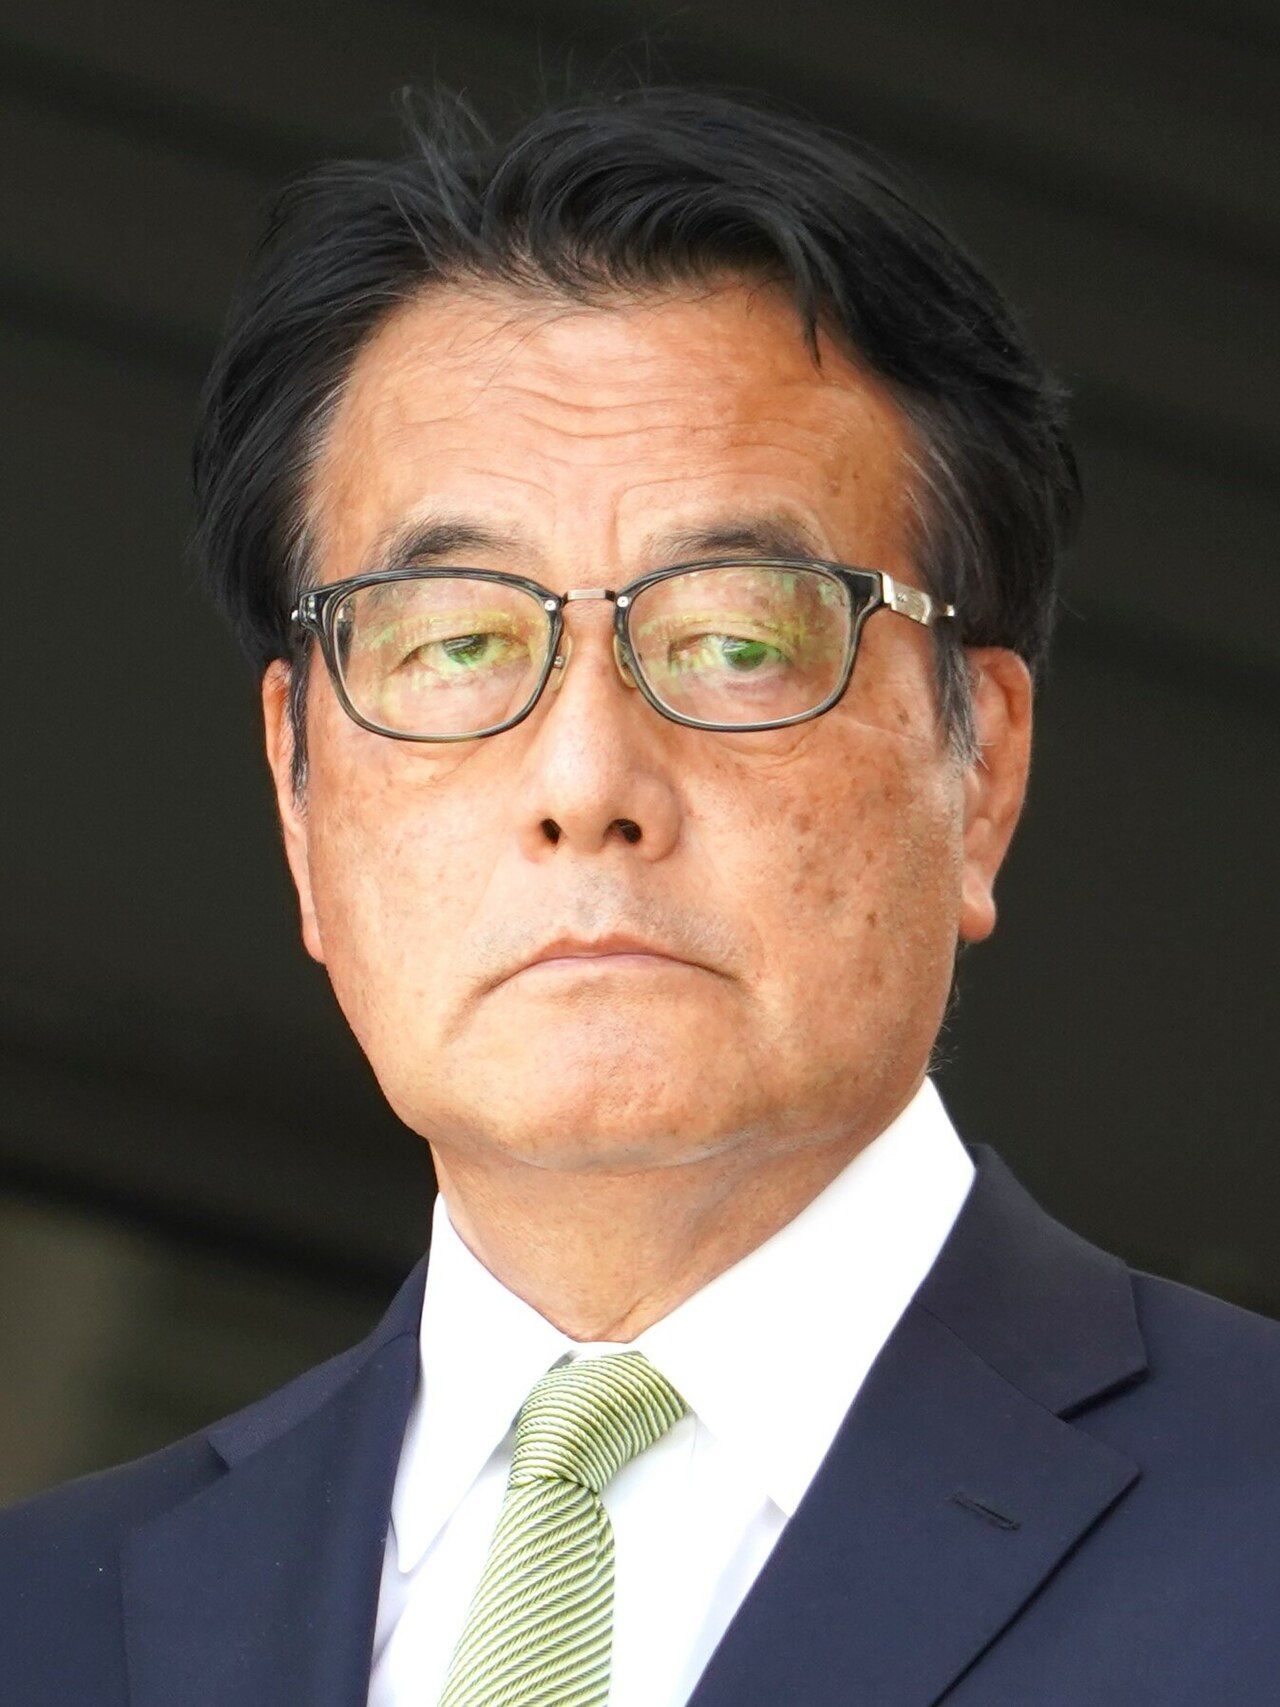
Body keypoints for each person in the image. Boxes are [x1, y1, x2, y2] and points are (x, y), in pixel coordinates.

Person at [2, 85, 1277, 1707]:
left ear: (985, 769)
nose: (585, 780)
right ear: (298, 796)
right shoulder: (44, 1628)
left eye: (737, 640)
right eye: (457, 643)